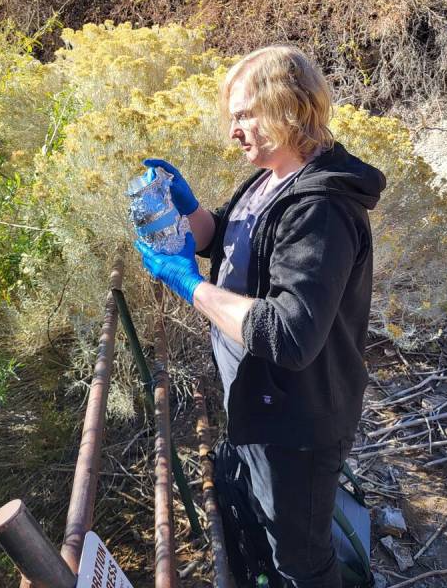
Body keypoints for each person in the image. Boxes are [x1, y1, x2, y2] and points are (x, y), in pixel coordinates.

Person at [136, 45, 385, 588]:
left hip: (298, 420)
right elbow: (230, 237)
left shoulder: (322, 208)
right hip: (261, 402)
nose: (234, 131)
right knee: (277, 534)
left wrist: (189, 284)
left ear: (290, 107)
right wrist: (189, 212)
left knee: (301, 559)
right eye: (233, 117)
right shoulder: (270, 179)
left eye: (245, 114)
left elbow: (289, 333)